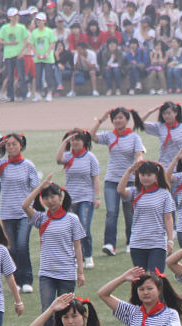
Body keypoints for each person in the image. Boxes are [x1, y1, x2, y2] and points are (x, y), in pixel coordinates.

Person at [0, 133, 40, 292]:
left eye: (14, 144)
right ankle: (16, 281)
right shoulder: (2, 164)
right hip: (7, 212)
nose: (11, 147)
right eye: (8, 145)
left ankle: (26, 280)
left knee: (22, 245)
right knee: (11, 248)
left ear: (21, 146)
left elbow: (36, 187)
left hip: (24, 213)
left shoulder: (28, 165)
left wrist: (32, 207)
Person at [22, 178, 86, 313]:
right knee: (47, 311)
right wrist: (40, 188)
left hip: (67, 273)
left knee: (66, 311)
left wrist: (80, 272)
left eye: (53, 196)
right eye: (46, 198)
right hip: (47, 273)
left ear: (60, 197)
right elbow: (25, 206)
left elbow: (78, 246)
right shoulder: (41, 219)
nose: (50, 201)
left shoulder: (72, 219)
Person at [92, 107, 147, 257]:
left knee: (130, 213)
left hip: (129, 181)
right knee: (111, 212)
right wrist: (101, 119)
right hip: (112, 180)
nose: (118, 121)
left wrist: (138, 163)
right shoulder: (109, 136)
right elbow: (92, 136)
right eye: (115, 118)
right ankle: (110, 244)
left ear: (127, 120)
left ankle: (131, 242)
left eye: (121, 118)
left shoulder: (134, 137)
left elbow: (139, 154)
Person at [118, 161, 177, 274]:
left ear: (156, 176)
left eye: (149, 175)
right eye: (142, 175)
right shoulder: (135, 191)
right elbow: (120, 190)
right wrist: (129, 171)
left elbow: (168, 218)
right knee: (141, 279)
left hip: (157, 242)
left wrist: (170, 240)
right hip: (137, 242)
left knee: (155, 277)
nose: (145, 178)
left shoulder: (164, 194)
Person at [56, 130, 101, 269]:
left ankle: (88, 256)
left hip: (86, 197)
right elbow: (58, 159)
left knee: (84, 228)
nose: (75, 142)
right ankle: (76, 257)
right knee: (72, 229)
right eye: (73, 140)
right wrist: (65, 142)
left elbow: (96, 178)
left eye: (78, 140)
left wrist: (97, 197)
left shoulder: (90, 157)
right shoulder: (68, 156)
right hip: (70, 198)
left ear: (84, 142)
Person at [144, 101, 182, 167]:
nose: (166, 116)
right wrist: (150, 111)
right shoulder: (159, 127)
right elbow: (139, 123)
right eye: (164, 113)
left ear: (175, 113)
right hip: (164, 164)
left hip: (180, 165)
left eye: (169, 113)